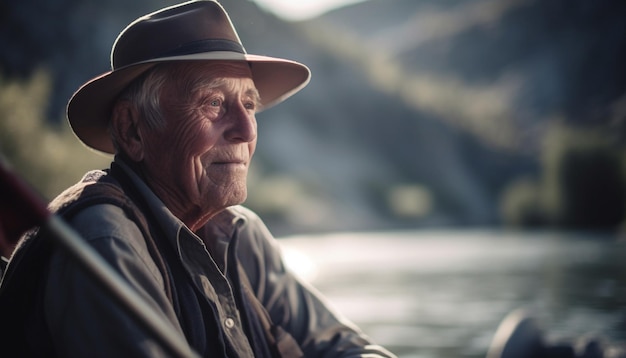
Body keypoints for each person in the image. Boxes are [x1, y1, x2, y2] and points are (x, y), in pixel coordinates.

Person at [0, 1, 396, 357]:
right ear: (133, 129)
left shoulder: (241, 234)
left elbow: (343, 347)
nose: (246, 129)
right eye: (214, 103)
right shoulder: (104, 242)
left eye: (249, 104)